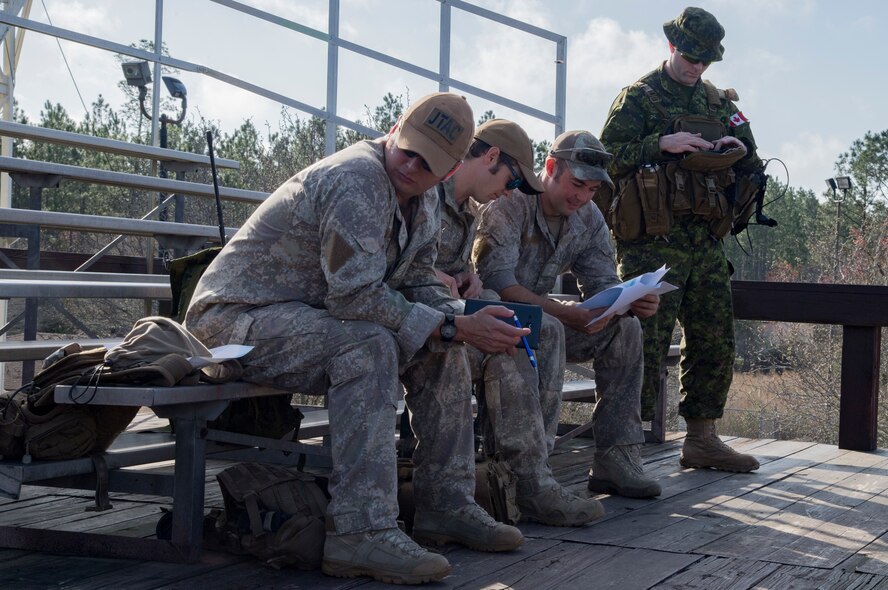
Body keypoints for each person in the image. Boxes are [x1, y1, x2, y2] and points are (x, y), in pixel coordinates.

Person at [185, 92, 527, 586]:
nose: (411, 166)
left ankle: (446, 502)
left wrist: (462, 315)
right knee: (368, 347)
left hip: (306, 317)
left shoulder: (425, 202)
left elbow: (418, 286)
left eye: (428, 162)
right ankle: (359, 530)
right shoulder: (356, 179)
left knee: (443, 347)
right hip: (235, 322)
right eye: (408, 149)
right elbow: (355, 298)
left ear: (450, 169)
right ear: (394, 129)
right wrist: (451, 323)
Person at [598, 7, 764, 472]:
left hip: (705, 240)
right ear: (673, 47)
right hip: (651, 239)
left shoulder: (720, 104)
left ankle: (703, 438)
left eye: (706, 61)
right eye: (691, 57)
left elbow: (752, 160)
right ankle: (620, 448)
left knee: (715, 339)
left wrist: (740, 150)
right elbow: (605, 160)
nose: (697, 67)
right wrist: (659, 145)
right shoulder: (639, 98)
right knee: (641, 343)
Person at [473, 129, 662, 499]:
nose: (583, 196)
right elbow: (500, 283)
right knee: (550, 329)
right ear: (550, 168)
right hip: (493, 321)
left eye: (593, 190)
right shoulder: (509, 203)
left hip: (545, 324)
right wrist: (563, 313)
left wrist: (631, 300)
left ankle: (616, 457)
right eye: (577, 184)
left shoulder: (588, 219)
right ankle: (530, 469)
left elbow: (602, 284)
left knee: (625, 329)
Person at [432, 118, 603, 525]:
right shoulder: (431, 196)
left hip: (446, 315)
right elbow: (388, 270)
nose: (508, 191)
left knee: (517, 334)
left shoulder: (468, 208)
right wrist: (430, 277)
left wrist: (464, 278)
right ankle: (522, 480)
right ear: (491, 157)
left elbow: (461, 272)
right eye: (510, 180)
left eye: (591, 189)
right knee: (520, 333)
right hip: (414, 323)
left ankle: (529, 477)